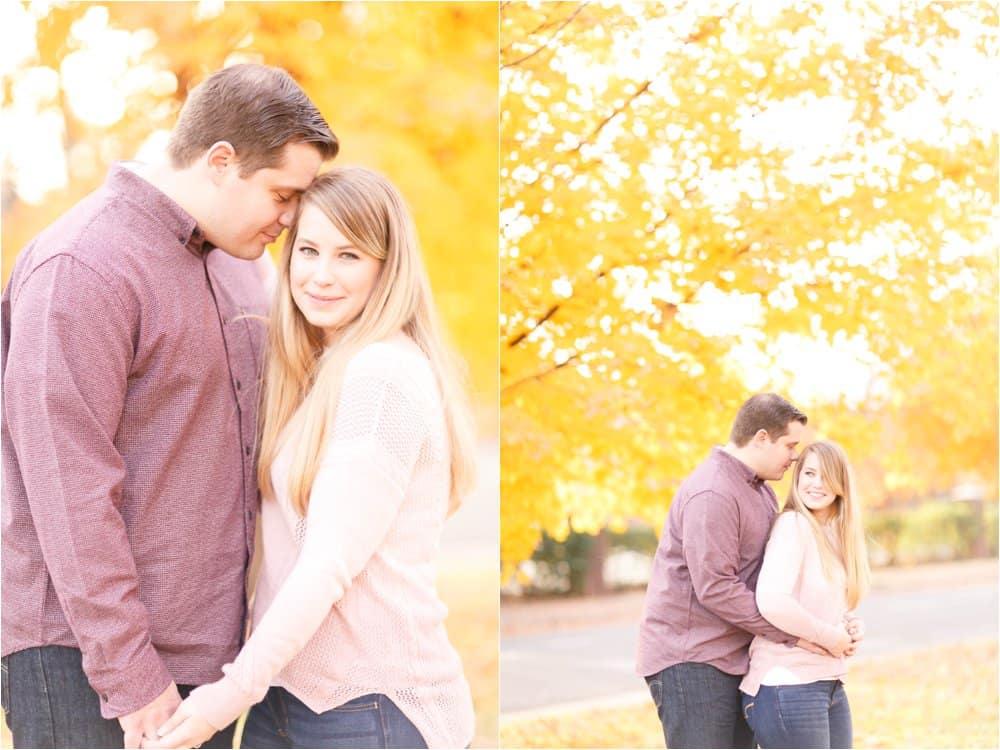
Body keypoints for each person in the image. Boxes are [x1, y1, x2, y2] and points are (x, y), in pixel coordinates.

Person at [1, 64, 338, 749]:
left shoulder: (246, 267)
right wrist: (132, 676)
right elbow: (68, 494)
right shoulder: (82, 266)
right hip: (84, 663)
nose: (291, 217)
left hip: (210, 664)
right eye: (282, 193)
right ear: (221, 162)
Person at [146, 166, 478, 750]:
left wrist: (221, 701)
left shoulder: (381, 374)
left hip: (371, 706)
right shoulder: (319, 371)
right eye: (309, 250)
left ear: (387, 267)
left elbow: (326, 564)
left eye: (349, 256)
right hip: (287, 695)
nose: (321, 276)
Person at [636, 393, 862, 749]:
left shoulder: (759, 492)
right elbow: (716, 587)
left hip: (734, 658)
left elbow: (772, 580)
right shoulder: (713, 492)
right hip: (693, 661)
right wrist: (801, 636)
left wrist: (831, 621)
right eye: (790, 445)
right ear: (761, 437)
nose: (794, 457)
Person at [740, 440, 871, 748]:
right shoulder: (793, 524)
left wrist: (847, 626)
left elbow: (815, 602)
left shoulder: (831, 535)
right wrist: (830, 636)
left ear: (841, 484)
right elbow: (772, 600)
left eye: (826, 476)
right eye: (809, 473)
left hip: (828, 682)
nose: (816, 483)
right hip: (788, 684)